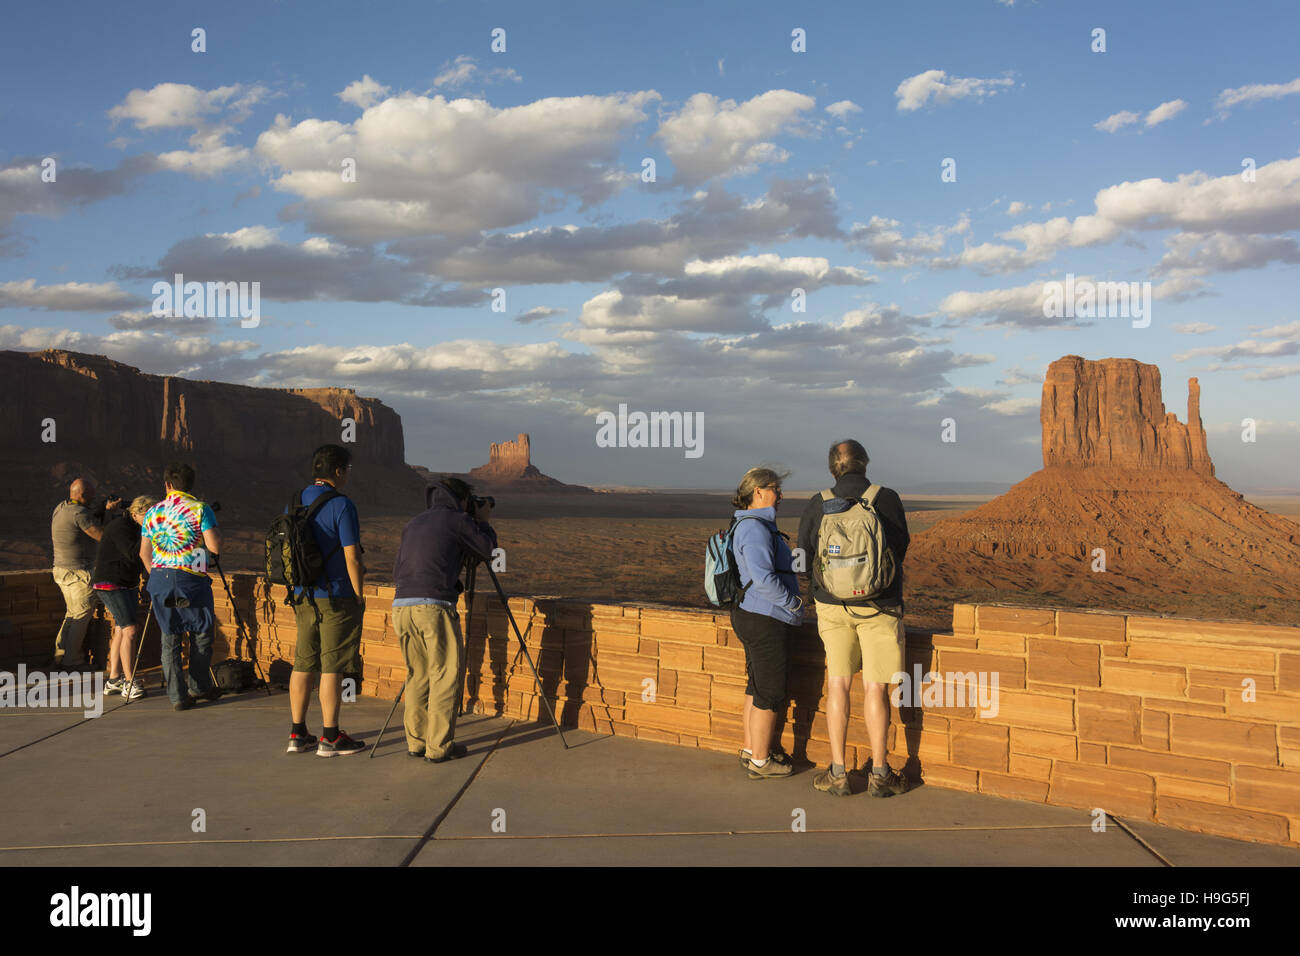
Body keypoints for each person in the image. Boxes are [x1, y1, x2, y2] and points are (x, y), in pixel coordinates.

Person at [797, 439, 911, 798]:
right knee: (877, 689)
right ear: (864, 463)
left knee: (838, 685)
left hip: (832, 608)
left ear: (833, 467)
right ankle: (880, 773)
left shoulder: (818, 502)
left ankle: (838, 773)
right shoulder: (886, 498)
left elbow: (803, 556)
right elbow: (901, 548)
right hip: (880, 606)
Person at [391, 478, 497, 763]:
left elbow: (401, 567)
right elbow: (487, 551)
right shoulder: (456, 520)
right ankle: (438, 748)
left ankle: (416, 742)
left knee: (418, 674)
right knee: (445, 675)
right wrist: (483, 521)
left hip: (401, 606)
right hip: (432, 607)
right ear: (462, 500)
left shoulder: (414, 523)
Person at [286, 444, 367, 757]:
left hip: (301, 595)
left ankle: (297, 733)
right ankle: (330, 737)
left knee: (303, 662)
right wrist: (359, 594)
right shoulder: (342, 504)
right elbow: (353, 558)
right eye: (347, 469)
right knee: (332, 664)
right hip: (335, 596)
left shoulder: (294, 501)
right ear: (338, 471)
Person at [729, 466, 804, 779]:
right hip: (766, 618)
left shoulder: (749, 526)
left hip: (751, 614)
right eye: (774, 488)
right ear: (757, 492)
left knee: (757, 687)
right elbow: (763, 580)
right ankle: (761, 761)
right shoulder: (756, 529)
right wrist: (793, 604)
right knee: (770, 692)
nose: (780, 495)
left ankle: (751, 749)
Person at [139, 462, 223, 711]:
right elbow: (215, 548)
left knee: (170, 638)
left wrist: (158, 574)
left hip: (160, 579)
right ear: (191, 484)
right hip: (192, 580)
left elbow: (144, 553)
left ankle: (178, 697)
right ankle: (199, 686)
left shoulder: (152, 512)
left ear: (167, 485)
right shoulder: (201, 509)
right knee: (201, 634)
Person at [50, 478, 121, 669]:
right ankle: (72, 662)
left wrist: (99, 510)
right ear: (82, 495)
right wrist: (108, 513)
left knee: (72, 614)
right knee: (81, 617)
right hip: (78, 574)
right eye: (91, 494)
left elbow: (83, 520)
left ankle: (60, 654)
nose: (94, 496)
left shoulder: (61, 507)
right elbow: (103, 536)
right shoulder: (79, 513)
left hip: (61, 570)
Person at [92, 495, 154, 700]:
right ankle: (129, 682)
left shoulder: (135, 526)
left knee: (120, 629)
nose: (152, 519)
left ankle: (113, 680)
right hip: (110, 583)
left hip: (125, 583)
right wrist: (150, 534)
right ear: (135, 513)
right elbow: (134, 553)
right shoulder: (120, 527)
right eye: (148, 515)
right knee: (130, 630)